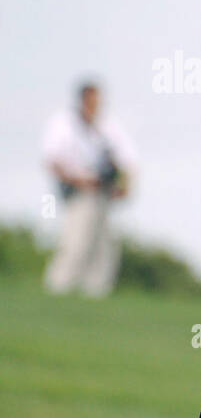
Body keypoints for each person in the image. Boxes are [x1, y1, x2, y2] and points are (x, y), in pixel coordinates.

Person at [42, 78, 137, 297]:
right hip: (79, 193)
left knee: (104, 247)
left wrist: (125, 185)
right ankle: (58, 287)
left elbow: (128, 160)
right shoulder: (64, 123)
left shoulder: (108, 125)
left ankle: (96, 292)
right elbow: (52, 159)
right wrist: (79, 180)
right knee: (75, 242)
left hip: (104, 194)